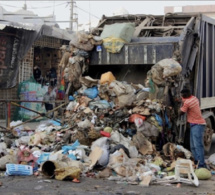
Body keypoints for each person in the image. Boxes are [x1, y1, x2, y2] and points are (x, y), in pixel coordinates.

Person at [179, 88, 206, 168]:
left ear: (184, 95)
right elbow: (185, 101)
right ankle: (196, 162)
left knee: (197, 145)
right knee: (193, 146)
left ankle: (201, 165)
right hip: (195, 124)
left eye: (182, 95)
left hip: (197, 124)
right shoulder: (194, 98)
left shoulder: (188, 102)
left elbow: (181, 113)